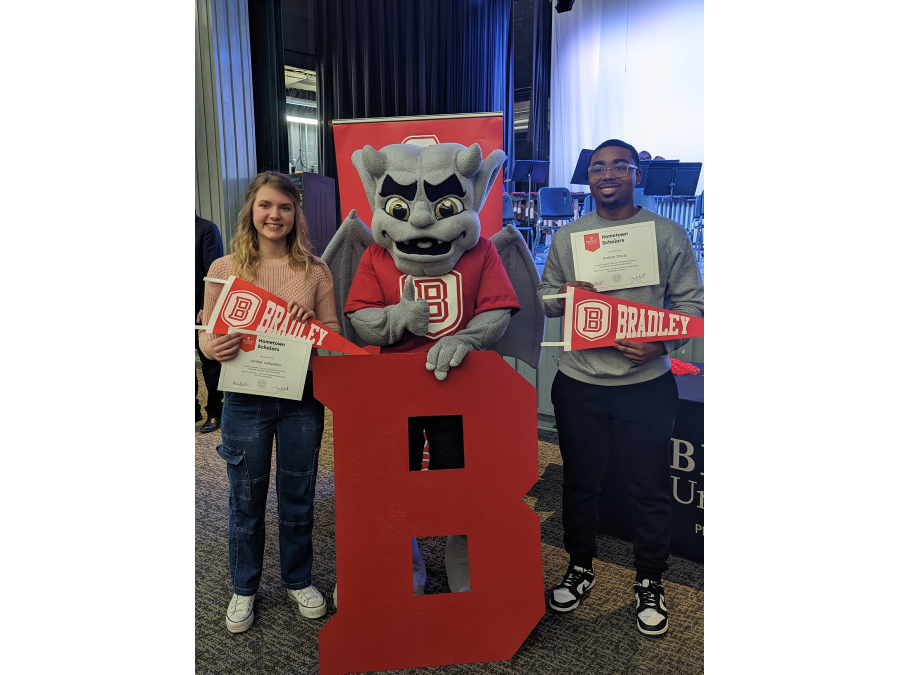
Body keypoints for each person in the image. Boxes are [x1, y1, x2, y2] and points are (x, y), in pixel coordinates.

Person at [536, 139, 703, 636]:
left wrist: (662, 343)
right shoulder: (568, 237)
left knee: (647, 488)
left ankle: (650, 579)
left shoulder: (668, 234)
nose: (607, 174)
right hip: (580, 383)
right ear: (588, 176)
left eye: (618, 166)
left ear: (636, 174)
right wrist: (567, 297)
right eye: (597, 167)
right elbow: (545, 300)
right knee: (580, 483)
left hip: (645, 385)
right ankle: (580, 564)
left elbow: (692, 307)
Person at [198, 172, 341, 633]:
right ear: (251, 210)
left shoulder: (315, 270)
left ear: (296, 213)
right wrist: (212, 348)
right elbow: (209, 333)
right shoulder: (224, 269)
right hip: (243, 400)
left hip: (301, 399)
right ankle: (244, 588)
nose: (274, 215)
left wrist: (313, 327)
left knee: (299, 497)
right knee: (246, 499)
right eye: (265, 205)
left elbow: (334, 336)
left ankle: (298, 579)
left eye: (284, 206)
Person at [195, 214, 225, 432]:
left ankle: (215, 412)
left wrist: (206, 308)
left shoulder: (206, 229)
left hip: (200, 310)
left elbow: (212, 274)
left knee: (210, 362)